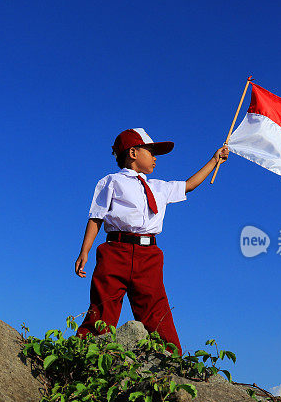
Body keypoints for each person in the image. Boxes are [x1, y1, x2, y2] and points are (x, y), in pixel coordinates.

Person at [74, 128, 229, 354]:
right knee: (103, 305)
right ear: (133, 153)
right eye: (151, 151)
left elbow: (189, 185)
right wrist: (84, 251)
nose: (155, 158)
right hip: (115, 249)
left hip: (149, 255)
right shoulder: (111, 182)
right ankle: (86, 352)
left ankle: (170, 359)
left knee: (156, 309)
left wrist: (214, 161)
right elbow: (96, 217)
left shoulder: (159, 187)